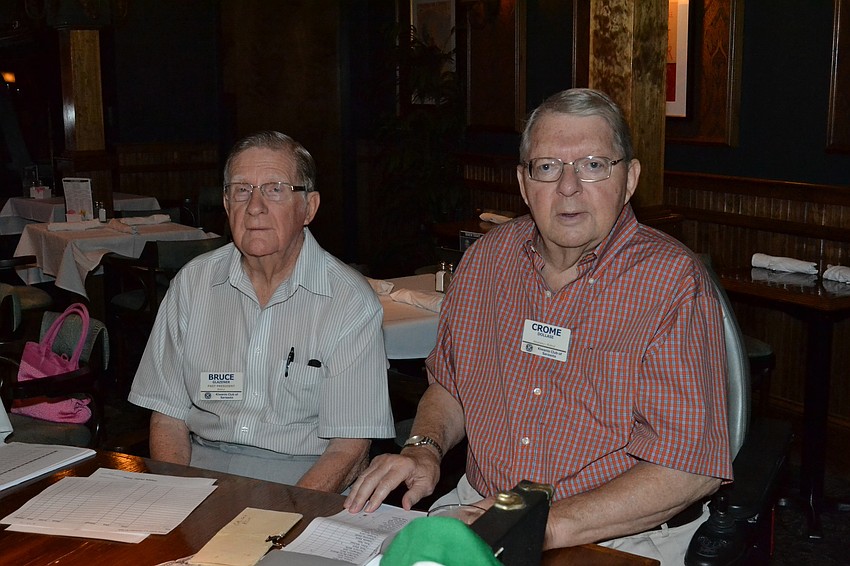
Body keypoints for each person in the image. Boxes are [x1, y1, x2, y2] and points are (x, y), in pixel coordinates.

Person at [345, 89, 733, 563]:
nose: (568, 187)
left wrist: (535, 522)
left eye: (593, 165)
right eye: (547, 167)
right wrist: (424, 448)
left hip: (618, 535)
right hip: (479, 507)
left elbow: (689, 469)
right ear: (525, 184)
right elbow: (451, 385)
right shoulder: (487, 261)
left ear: (629, 179)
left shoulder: (672, 283)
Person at [129, 131, 395, 493]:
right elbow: (168, 416)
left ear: (309, 207)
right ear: (226, 204)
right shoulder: (193, 284)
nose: (254, 206)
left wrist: (283, 520)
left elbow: (349, 448)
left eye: (275, 189)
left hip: (305, 482)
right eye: (241, 189)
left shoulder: (349, 301)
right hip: (199, 470)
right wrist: (175, 496)